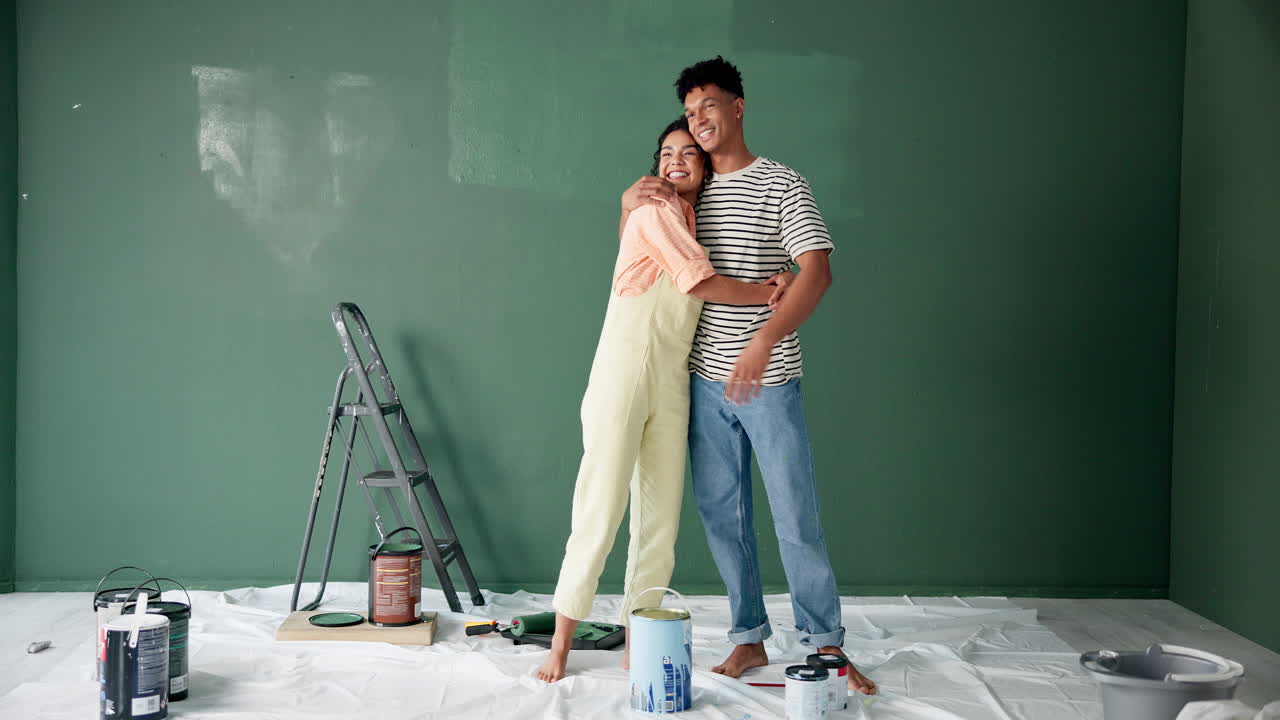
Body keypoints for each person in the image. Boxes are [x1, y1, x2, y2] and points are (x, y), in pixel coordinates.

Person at [619, 56, 877, 695]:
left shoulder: (783, 183)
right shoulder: (689, 192)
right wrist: (631, 197)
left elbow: (815, 272)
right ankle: (748, 640)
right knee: (721, 516)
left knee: (795, 515)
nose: (698, 120)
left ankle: (827, 648)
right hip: (701, 381)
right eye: (688, 112)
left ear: (738, 106)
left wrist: (764, 341)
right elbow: (644, 248)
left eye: (708, 106)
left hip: (766, 380)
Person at [535, 116, 793, 683]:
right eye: (666, 152)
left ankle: (637, 642)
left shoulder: (690, 217)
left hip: (672, 380)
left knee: (659, 521)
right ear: (656, 164)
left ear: (703, 167)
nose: (676, 160)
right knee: (600, 508)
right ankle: (559, 644)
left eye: (689, 154)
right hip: (622, 376)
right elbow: (698, 282)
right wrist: (771, 293)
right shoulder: (653, 210)